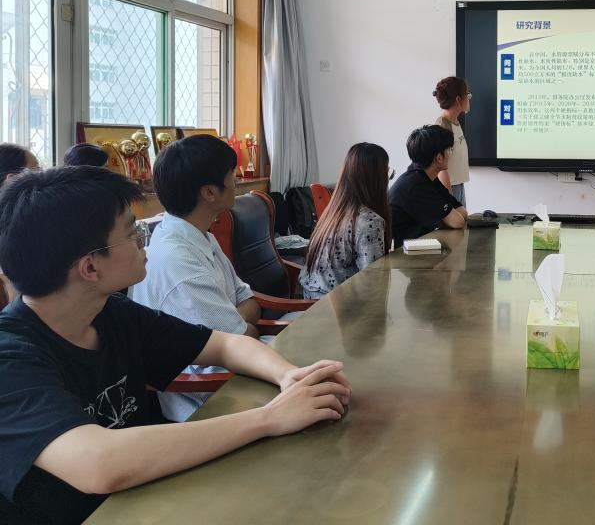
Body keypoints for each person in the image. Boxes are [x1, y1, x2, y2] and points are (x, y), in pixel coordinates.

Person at [0, 166, 350, 524]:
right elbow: (98, 464)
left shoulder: (110, 312)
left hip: (145, 498)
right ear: (90, 268)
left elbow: (225, 345)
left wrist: (289, 376)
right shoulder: (11, 357)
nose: (144, 241)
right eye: (133, 233)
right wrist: (270, 418)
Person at [131, 135, 263, 422]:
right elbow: (241, 338)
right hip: (209, 399)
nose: (236, 181)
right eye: (231, 175)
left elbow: (249, 300)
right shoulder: (178, 261)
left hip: (237, 371)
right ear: (210, 193)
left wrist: (237, 319)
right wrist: (239, 322)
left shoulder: (199, 235)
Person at [300, 142, 392, 299]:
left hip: (312, 296)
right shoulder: (369, 221)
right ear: (377, 177)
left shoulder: (334, 210)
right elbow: (372, 283)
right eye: (387, 171)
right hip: (335, 306)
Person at [389, 125, 468, 248]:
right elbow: (458, 221)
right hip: (403, 254)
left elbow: (462, 211)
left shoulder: (428, 177)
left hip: (421, 247)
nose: (450, 154)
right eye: (449, 150)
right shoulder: (415, 185)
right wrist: (447, 219)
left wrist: (446, 219)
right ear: (439, 158)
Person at [433, 76, 472, 207]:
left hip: (458, 185)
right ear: (458, 99)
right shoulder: (443, 126)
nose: (469, 98)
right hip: (450, 188)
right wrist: (449, 200)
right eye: (468, 94)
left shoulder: (454, 121)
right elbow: (440, 168)